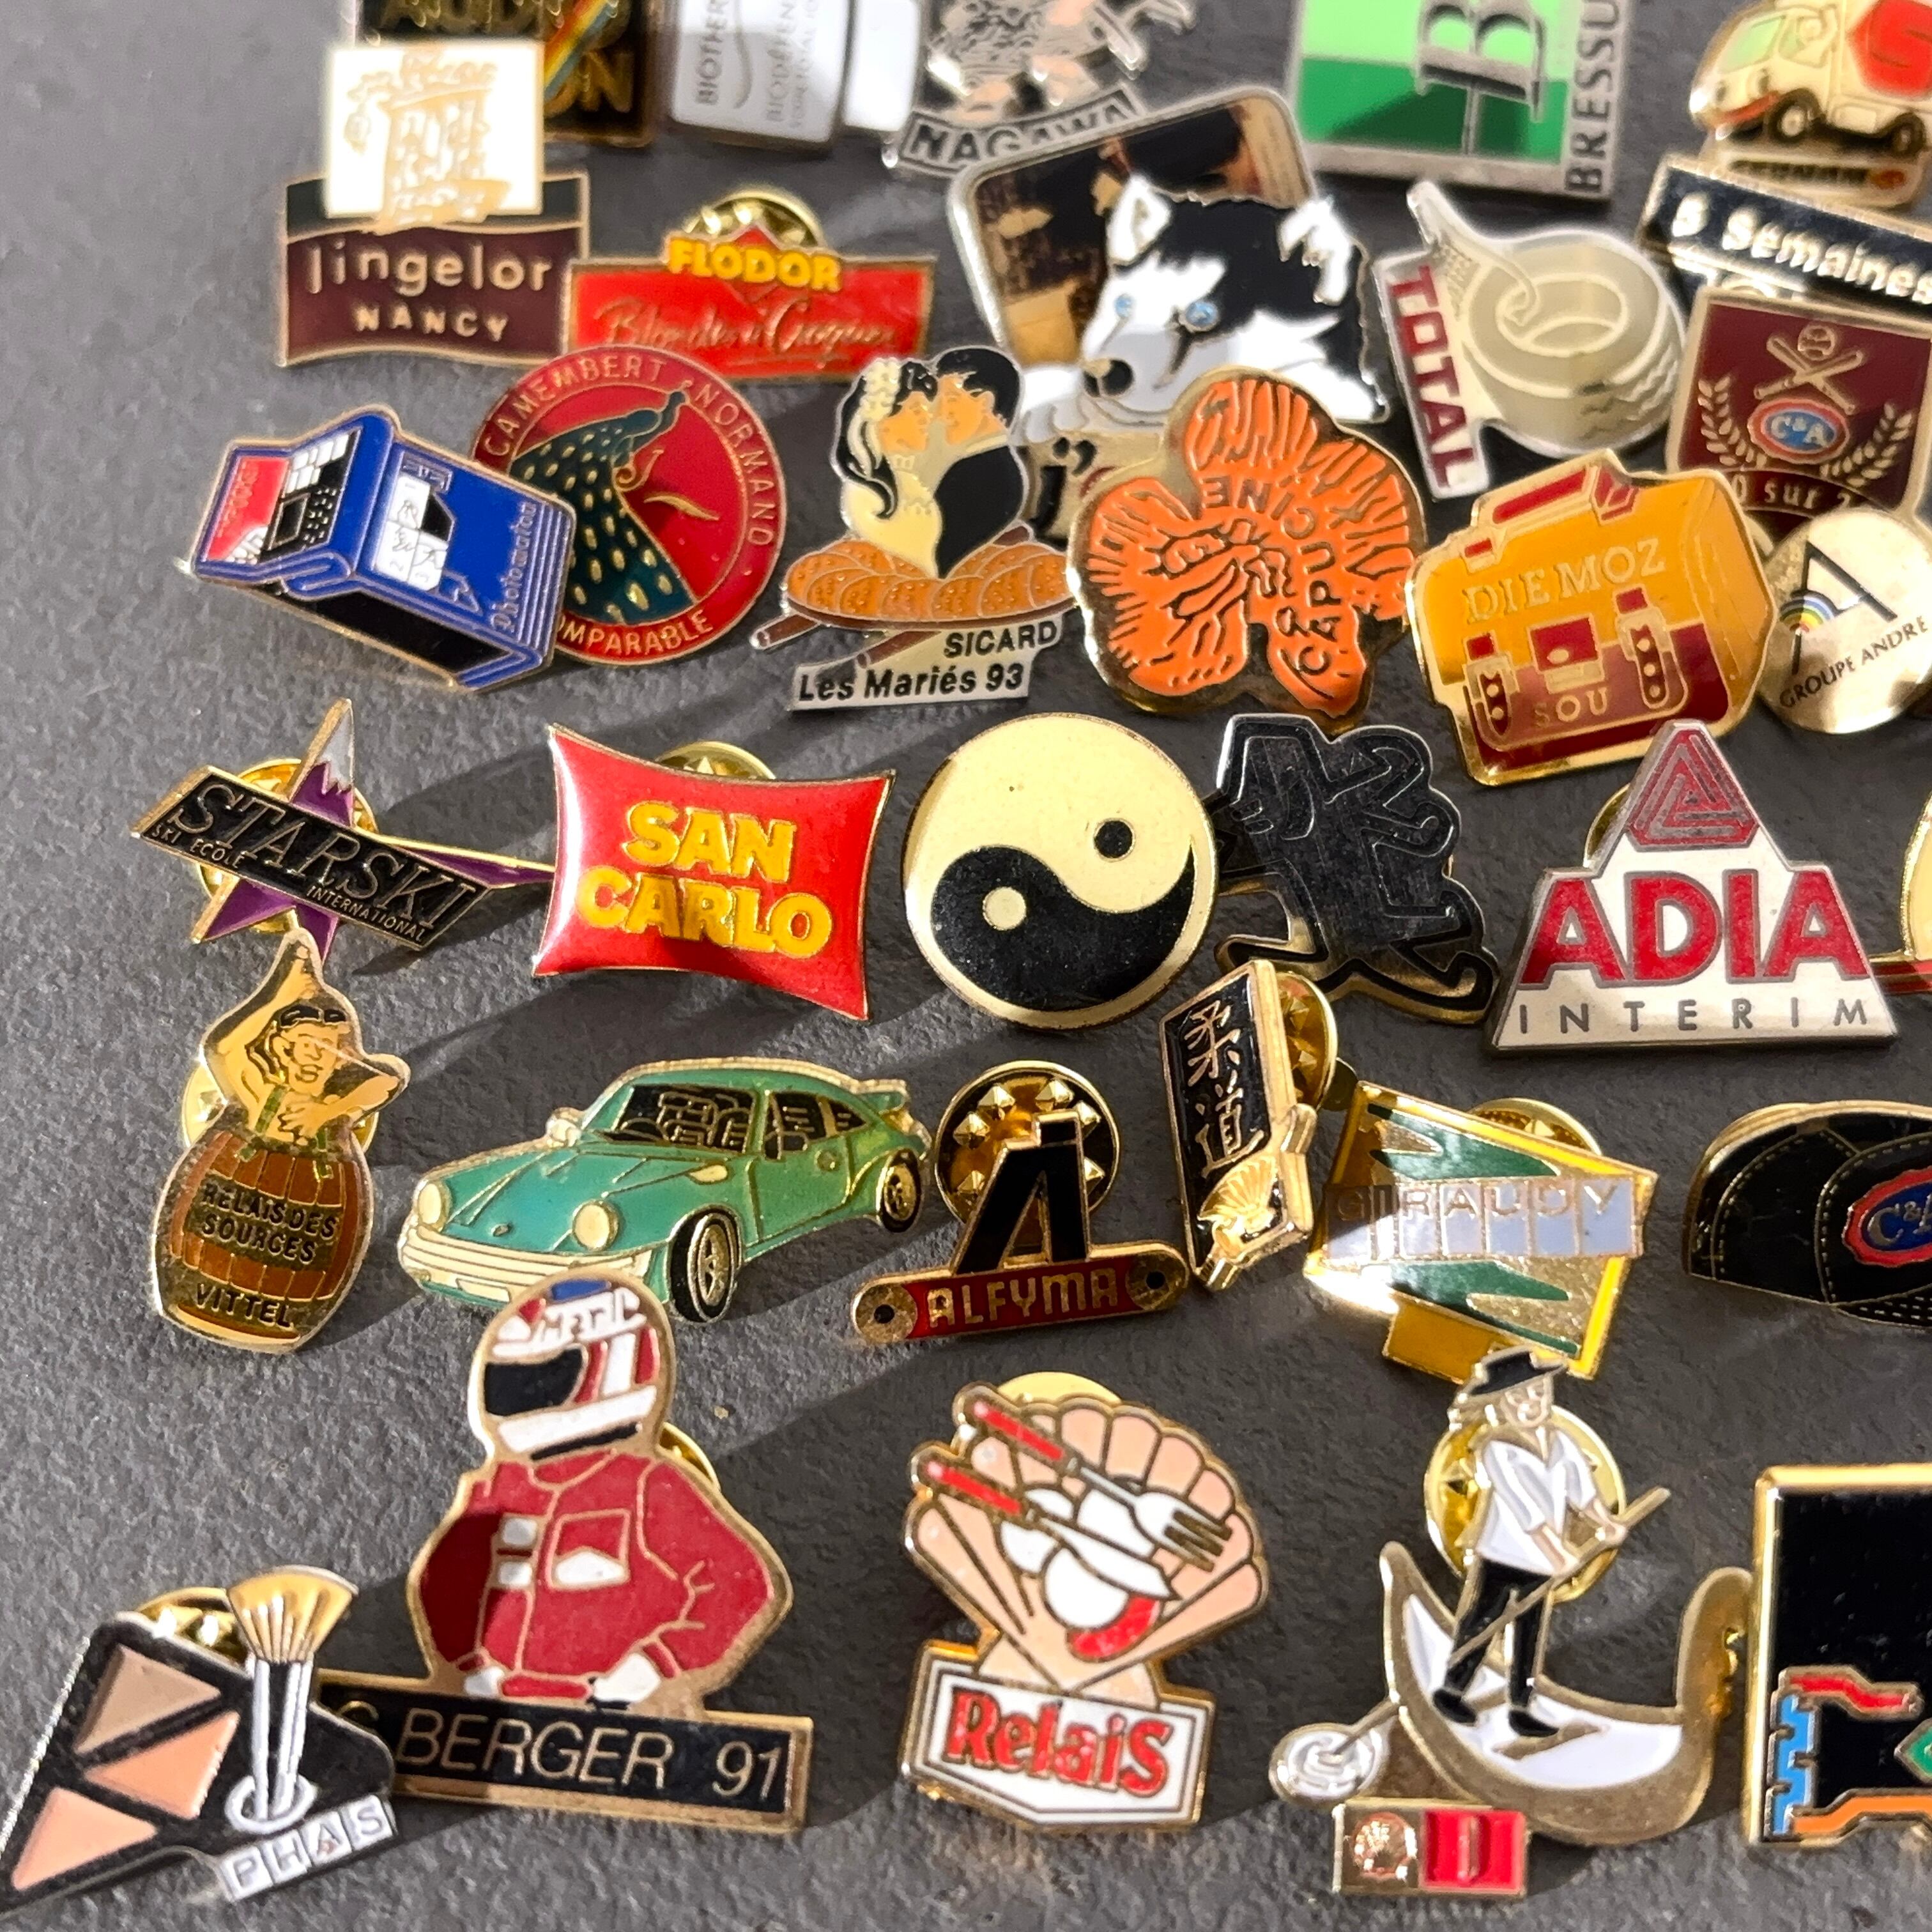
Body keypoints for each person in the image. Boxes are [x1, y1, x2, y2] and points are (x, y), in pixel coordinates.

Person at [415, 1275, 783, 1712]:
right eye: (510, 1381)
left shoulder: (648, 1488)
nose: (516, 1398)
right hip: (495, 1705)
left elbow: (739, 1587)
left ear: (614, 1367)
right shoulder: (497, 1492)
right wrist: (467, 1663)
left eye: (541, 1378)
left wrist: (656, 1667)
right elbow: (446, 1585)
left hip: (618, 1713)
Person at [1430, 1349, 1627, 1739]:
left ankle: (1520, 1705)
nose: (1531, 1404)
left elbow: (1582, 1492)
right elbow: (1525, 1509)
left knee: (1529, 1632)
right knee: (1483, 1619)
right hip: (1503, 1554)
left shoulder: (1562, 1442)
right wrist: (1556, 1553)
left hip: (1542, 1563)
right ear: (1500, 1406)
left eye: (1538, 1392)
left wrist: (1606, 1523)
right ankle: (1452, 1689)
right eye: (1518, 1398)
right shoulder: (1496, 1449)